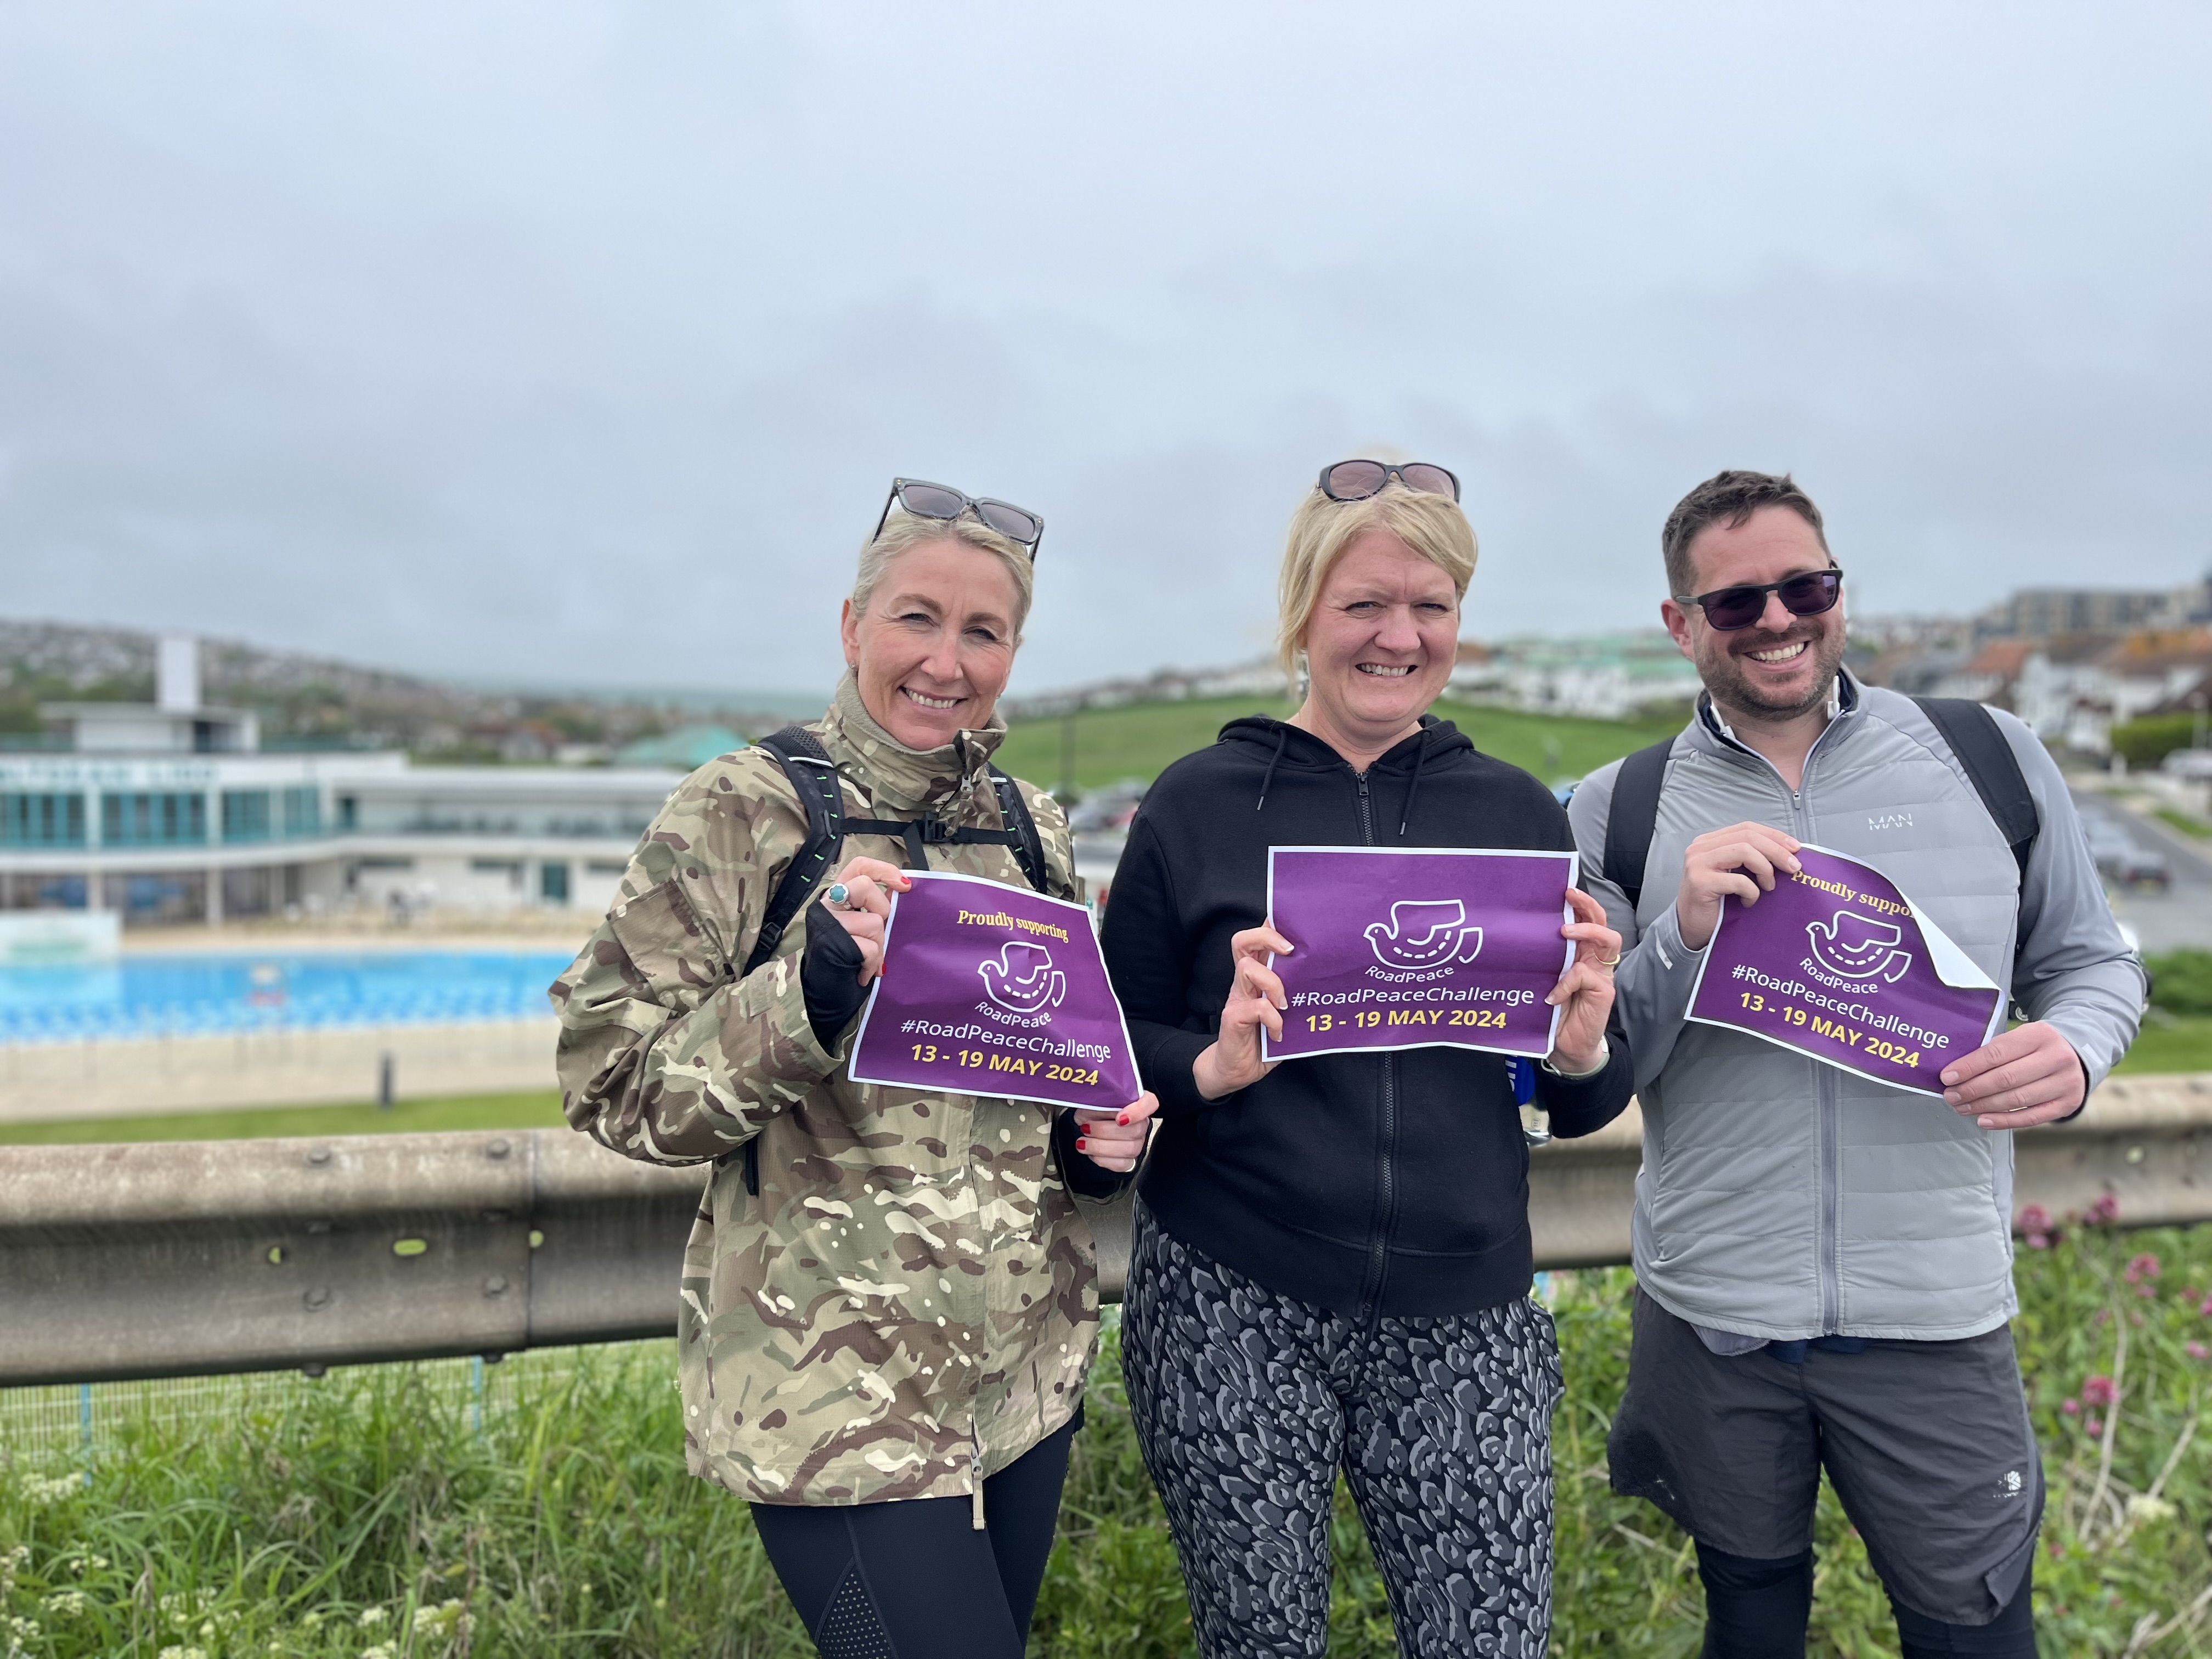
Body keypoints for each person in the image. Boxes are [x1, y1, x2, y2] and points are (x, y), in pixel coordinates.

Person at [551, 478, 1158, 1659]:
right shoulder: (748, 809)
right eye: (917, 618)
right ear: (851, 627)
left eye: (984, 631)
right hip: (831, 1404)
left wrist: (1101, 1139)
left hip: (1022, 1387)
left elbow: (1061, 1080)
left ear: (1014, 652)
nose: (946, 660)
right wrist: (810, 994)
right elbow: (610, 1081)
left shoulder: (1035, 828)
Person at [1568, 470, 2146, 1657]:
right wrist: (1678, 937)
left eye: (1806, 586)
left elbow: (2095, 962)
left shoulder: (1990, 757)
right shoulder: (1614, 810)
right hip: (1715, 1316)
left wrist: (2077, 1051)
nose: (1778, 619)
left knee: (1977, 1636)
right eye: (1736, 604)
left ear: (1839, 591)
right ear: (1680, 626)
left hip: (1934, 1317)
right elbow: (1590, 1068)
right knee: (1752, 1628)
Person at [1100, 458, 1637, 1657]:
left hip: (1469, 1306)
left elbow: (1581, 1091)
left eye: (1432, 607)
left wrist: (1584, 1045)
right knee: (1262, 1642)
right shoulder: (1195, 802)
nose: (1400, 637)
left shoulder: (1514, 811)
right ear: (1304, 616)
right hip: (1232, 1291)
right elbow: (1111, 1035)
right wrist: (1212, 1068)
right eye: (1364, 606)